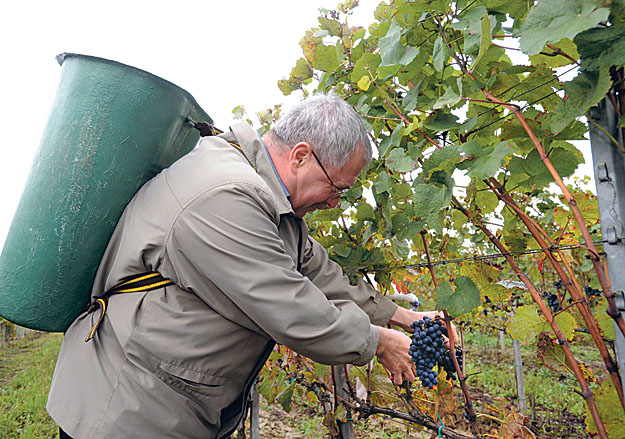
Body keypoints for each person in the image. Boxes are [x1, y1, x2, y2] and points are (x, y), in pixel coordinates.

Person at [47, 92, 457, 439]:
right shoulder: (225, 196)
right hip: (129, 409)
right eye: (337, 188)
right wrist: (380, 343)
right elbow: (292, 310)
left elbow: (316, 271)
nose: (334, 202)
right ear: (301, 156)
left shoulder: (270, 201)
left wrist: (401, 315)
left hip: (169, 402)